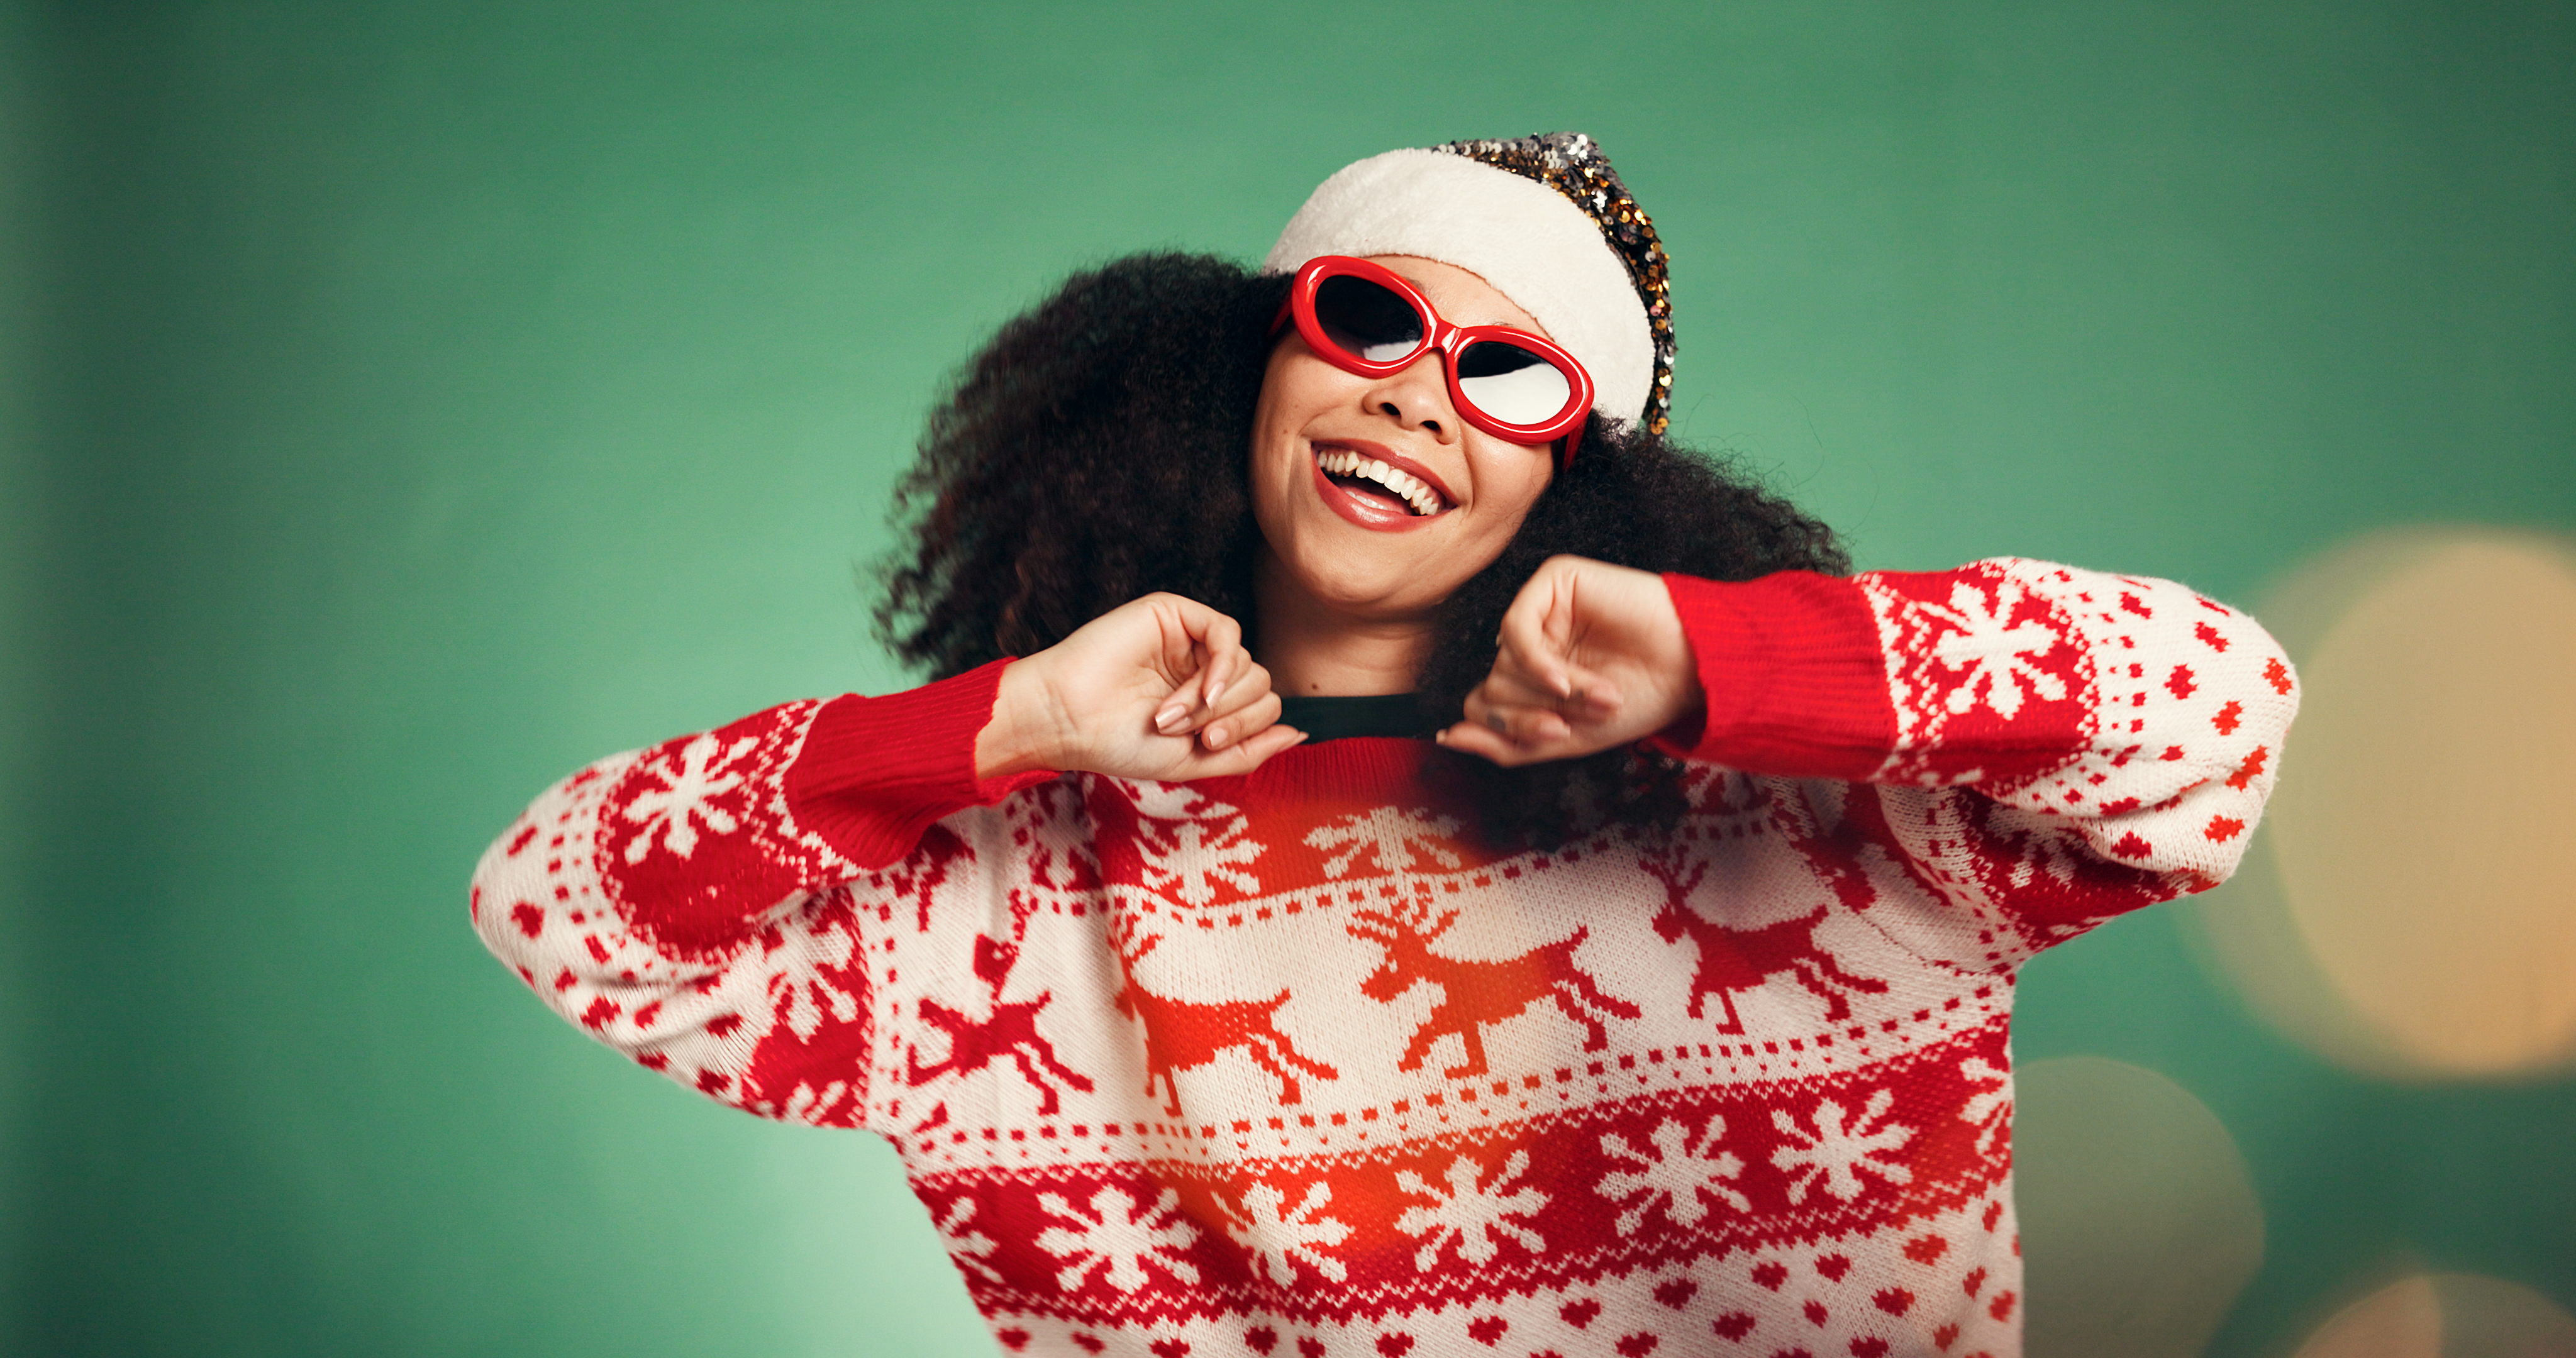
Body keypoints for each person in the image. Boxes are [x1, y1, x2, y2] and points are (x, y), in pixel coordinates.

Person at [472, 133, 2296, 1358]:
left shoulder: (1829, 823)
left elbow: (2216, 716)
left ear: (1588, 473)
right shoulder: (1002, 890)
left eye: (1513, 373)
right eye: (1370, 318)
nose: (1418, 388)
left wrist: (1718, 653)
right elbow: (567, 905)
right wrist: (1011, 719)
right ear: (1240, 373)